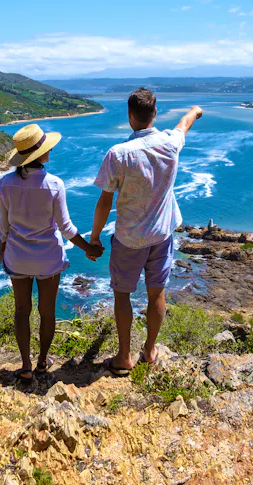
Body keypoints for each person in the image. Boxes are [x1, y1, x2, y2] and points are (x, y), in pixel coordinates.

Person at [89, 89, 202, 376]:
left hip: (129, 238)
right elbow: (183, 125)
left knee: (122, 295)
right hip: (161, 235)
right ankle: (150, 351)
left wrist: (94, 237)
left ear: (130, 117)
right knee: (157, 294)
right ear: (154, 114)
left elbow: (105, 200)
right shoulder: (169, 145)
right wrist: (194, 111)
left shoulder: (118, 154)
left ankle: (125, 356)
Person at [0, 123, 104, 383]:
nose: (51, 149)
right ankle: (43, 363)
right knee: (48, 312)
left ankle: (24, 366)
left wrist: (4, 256)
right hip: (48, 259)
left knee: (21, 311)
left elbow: (4, 228)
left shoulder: (5, 184)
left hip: (17, 257)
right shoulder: (54, 184)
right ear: (41, 153)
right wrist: (89, 248)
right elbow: (66, 229)